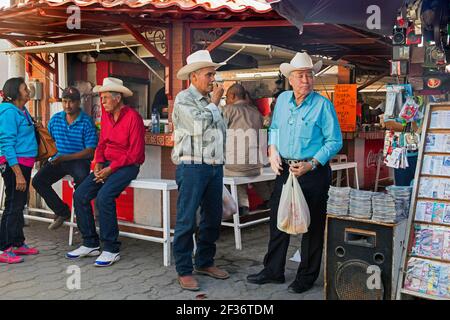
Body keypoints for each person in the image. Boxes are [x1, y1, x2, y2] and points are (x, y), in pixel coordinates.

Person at [247, 52, 343, 294]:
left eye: (309, 75)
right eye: (301, 75)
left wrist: (312, 163)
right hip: (285, 170)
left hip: (312, 172)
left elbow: (334, 141)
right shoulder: (283, 100)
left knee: (311, 226)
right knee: (278, 221)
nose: (306, 80)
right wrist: (272, 149)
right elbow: (275, 129)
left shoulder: (323, 105)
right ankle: (273, 271)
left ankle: (306, 277)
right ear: (290, 79)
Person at [66, 77, 145, 267]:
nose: (102, 102)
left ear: (117, 98)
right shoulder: (106, 117)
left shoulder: (133, 117)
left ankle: (111, 248)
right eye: (101, 98)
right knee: (81, 195)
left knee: (104, 197)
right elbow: (101, 144)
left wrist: (111, 169)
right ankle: (90, 243)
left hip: (127, 166)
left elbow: (135, 154)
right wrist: (99, 164)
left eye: (105, 98)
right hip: (107, 165)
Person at [172, 50, 229, 291]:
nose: (213, 79)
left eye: (213, 73)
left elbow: (219, 132)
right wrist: (215, 103)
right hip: (192, 165)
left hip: (214, 166)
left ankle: (204, 262)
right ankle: (184, 269)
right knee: (187, 219)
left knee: (212, 218)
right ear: (194, 77)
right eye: (209, 74)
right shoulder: (183, 99)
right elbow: (198, 126)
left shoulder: (209, 102)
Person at [32, 87, 98, 230]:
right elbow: (49, 142)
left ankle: (84, 225)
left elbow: (90, 152)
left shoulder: (86, 121)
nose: (67, 105)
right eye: (64, 101)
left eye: (71, 102)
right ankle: (62, 211)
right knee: (38, 181)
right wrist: (45, 157)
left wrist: (65, 158)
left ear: (78, 102)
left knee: (81, 188)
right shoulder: (55, 119)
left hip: (78, 160)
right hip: (58, 159)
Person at [0, 77, 39, 264]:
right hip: (14, 165)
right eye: (25, 88)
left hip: (25, 163)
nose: (28, 90)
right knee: (13, 205)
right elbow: (7, 144)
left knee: (19, 203)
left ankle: (17, 242)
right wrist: (18, 174)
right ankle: (3, 247)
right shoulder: (8, 112)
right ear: (16, 92)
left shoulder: (21, 111)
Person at [223, 83, 271, 216]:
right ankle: (268, 199)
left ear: (232, 96)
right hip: (256, 163)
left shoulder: (228, 110)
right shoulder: (256, 112)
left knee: (227, 169)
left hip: (236, 166)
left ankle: (241, 206)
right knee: (252, 169)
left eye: (226, 97)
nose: (226, 100)